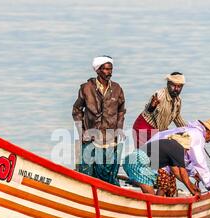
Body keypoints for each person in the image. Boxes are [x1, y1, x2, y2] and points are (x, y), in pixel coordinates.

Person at [72, 55, 126, 186]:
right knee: (86, 173)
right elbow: (77, 110)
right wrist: (82, 131)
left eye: (111, 69)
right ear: (98, 70)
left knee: (107, 175)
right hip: (90, 137)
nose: (109, 72)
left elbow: (121, 110)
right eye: (106, 69)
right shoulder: (86, 88)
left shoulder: (117, 89)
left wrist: (119, 128)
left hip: (109, 138)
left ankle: (106, 199)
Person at [147, 118, 210, 195]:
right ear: (209, 133)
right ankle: (158, 204)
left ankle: (163, 203)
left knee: (171, 189)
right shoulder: (197, 136)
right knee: (164, 186)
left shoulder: (189, 131)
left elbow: (185, 159)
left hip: (152, 155)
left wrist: (193, 173)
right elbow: (199, 162)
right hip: (157, 160)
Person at [122, 138, 200, 196]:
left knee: (149, 194)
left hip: (129, 159)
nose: (186, 153)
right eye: (187, 151)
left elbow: (177, 173)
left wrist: (191, 185)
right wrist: (192, 191)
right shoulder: (179, 148)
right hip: (139, 161)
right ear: (185, 148)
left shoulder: (169, 146)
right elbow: (183, 172)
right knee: (152, 198)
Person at [132, 72, 187, 148]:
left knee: (157, 157)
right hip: (143, 128)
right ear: (168, 84)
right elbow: (150, 111)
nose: (176, 89)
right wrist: (152, 106)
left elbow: (177, 118)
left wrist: (187, 131)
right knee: (144, 156)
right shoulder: (159, 95)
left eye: (179, 86)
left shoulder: (178, 100)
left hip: (157, 130)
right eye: (173, 85)